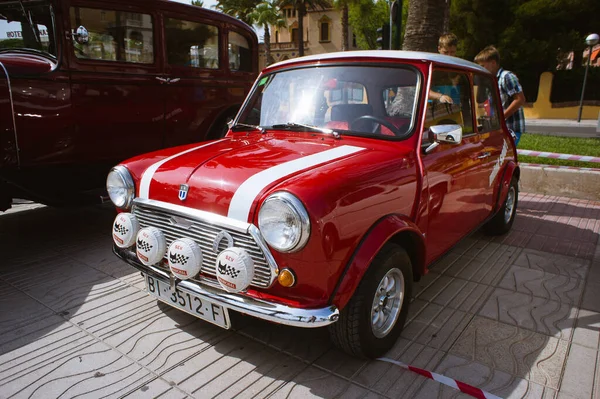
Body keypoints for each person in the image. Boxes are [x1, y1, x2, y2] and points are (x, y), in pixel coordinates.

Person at [475, 45, 526, 145]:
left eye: (482, 66)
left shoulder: (506, 77)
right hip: (499, 129)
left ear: (493, 63)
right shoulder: (491, 80)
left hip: (511, 128)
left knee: (504, 154)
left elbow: (520, 99)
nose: (480, 69)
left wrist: (501, 117)